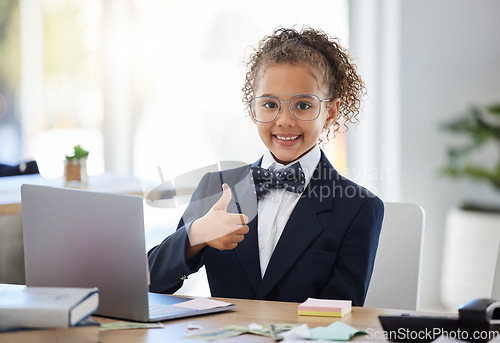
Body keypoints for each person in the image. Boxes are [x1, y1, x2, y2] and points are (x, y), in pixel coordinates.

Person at [148, 27, 384, 306]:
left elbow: (342, 312)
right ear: (253, 110)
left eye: (304, 105)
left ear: (330, 112)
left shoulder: (359, 208)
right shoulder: (216, 187)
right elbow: (152, 280)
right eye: (270, 104)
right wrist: (195, 236)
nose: (284, 120)